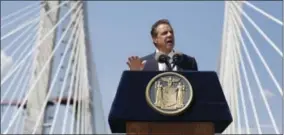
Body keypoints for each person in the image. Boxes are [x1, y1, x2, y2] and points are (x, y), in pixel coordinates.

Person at [126, 19, 198, 71]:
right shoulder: (143, 64)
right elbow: (132, 90)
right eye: (164, 33)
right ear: (155, 39)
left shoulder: (189, 62)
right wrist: (134, 75)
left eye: (171, 32)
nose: (170, 35)